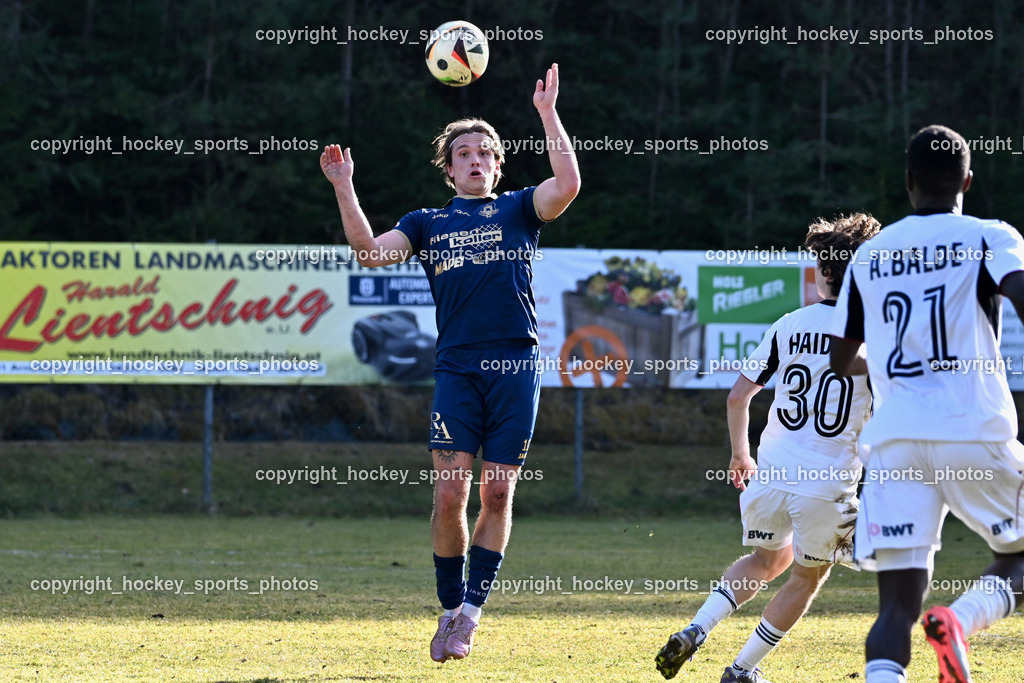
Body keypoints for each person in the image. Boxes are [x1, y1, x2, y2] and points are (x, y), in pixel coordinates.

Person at [319, 64, 580, 663]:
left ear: (497, 164)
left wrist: (546, 113)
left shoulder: (518, 210)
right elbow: (368, 253)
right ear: (449, 166)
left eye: (486, 152)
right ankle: (446, 607)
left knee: (496, 495)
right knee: (447, 495)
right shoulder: (426, 223)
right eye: (464, 153)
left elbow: (566, 184)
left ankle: (470, 615)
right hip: (458, 369)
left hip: (516, 367)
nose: (476, 160)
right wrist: (344, 185)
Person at [830, 124, 1024, 683]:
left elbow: (841, 362)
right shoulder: (990, 235)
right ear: (967, 179)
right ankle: (961, 621)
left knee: (895, 608)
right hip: (972, 427)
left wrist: (892, 362)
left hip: (894, 443)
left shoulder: (870, 255)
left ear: (909, 181)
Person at [655, 214, 879, 683]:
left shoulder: (789, 324)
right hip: (826, 484)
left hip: (771, 473)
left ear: (825, 271)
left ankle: (697, 628)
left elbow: (739, 397)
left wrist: (740, 454)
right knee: (805, 576)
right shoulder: (876, 333)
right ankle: (741, 670)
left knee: (765, 560)